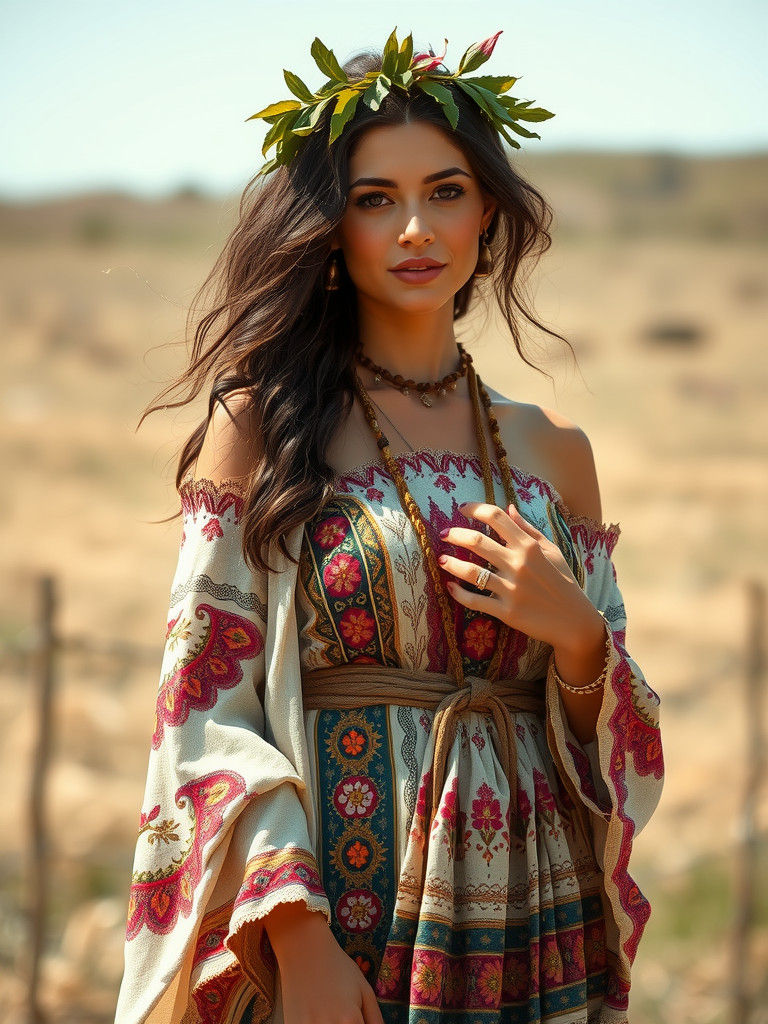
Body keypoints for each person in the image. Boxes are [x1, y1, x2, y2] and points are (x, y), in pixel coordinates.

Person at [114, 28, 664, 1024]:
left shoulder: (556, 450)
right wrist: (295, 935)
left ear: (488, 209)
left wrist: (580, 638)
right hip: (341, 906)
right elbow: (203, 711)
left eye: (446, 191)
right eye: (376, 200)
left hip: (532, 918)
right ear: (331, 225)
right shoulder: (266, 430)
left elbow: (615, 739)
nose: (416, 228)